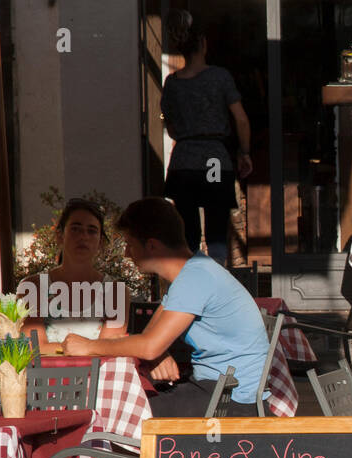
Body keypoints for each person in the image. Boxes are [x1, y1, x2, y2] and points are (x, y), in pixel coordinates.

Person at [61, 197, 269, 418]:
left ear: (152, 246)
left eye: (130, 245)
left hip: (230, 401)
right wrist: (157, 352)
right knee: (122, 404)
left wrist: (89, 346)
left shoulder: (195, 278)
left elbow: (149, 345)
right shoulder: (193, 271)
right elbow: (150, 338)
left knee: (111, 414)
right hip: (217, 389)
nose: (126, 254)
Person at [161, 10, 252, 265]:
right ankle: (217, 286)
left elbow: (170, 126)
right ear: (203, 43)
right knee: (216, 234)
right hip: (214, 158)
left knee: (188, 234)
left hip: (183, 161)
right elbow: (241, 119)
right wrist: (244, 152)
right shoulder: (219, 77)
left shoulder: (172, 83)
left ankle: (192, 287)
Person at [21, 198, 129, 350]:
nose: (83, 236)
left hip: (100, 374)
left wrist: (65, 348)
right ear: (60, 236)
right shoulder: (33, 287)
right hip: (45, 373)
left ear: (100, 242)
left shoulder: (116, 291)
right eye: (75, 229)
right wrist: (88, 348)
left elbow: (110, 348)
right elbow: (33, 346)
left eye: (92, 231)